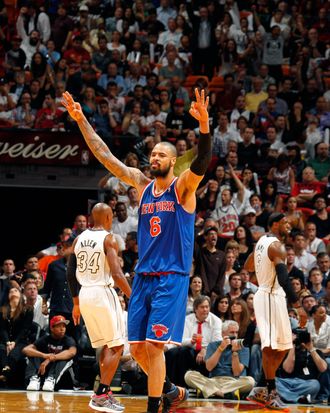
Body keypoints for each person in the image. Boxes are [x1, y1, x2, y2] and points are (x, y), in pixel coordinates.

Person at [62, 88, 212, 413]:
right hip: (143, 276)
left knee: (155, 348)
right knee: (139, 349)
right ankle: (170, 390)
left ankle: (154, 407)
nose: (154, 157)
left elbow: (202, 160)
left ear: (173, 161)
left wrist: (204, 128)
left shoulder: (183, 188)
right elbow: (106, 157)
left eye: (161, 154)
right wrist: (81, 120)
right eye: (153, 154)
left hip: (170, 277)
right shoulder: (142, 186)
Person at [66, 203, 131, 412]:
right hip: (102, 292)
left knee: (106, 345)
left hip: (84, 294)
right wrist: (134, 297)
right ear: (109, 217)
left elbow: (69, 272)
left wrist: (76, 303)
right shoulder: (108, 238)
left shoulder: (78, 239)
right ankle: (101, 394)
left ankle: (104, 392)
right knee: (118, 345)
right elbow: (117, 274)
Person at [245, 213, 299, 409]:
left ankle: (261, 387)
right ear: (275, 224)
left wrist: (260, 271)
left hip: (271, 294)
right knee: (270, 347)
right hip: (269, 294)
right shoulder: (277, 246)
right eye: (285, 223)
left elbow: (247, 265)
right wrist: (297, 302)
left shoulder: (262, 242)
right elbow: (284, 278)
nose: (289, 226)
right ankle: (270, 392)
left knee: (284, 346)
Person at [23, 315, 77, 392]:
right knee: (33, 355)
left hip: (59, 371)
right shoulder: (45, 338)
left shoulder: (68, 340)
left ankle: (51, 380)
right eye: (59, 326)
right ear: (52, 328)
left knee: (65, 359)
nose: (62, 329)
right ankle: (33, 379)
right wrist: (44, 355)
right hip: (43, 369)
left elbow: (72, 352)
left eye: (64, 326)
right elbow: (26, 349)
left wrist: (50, 358)